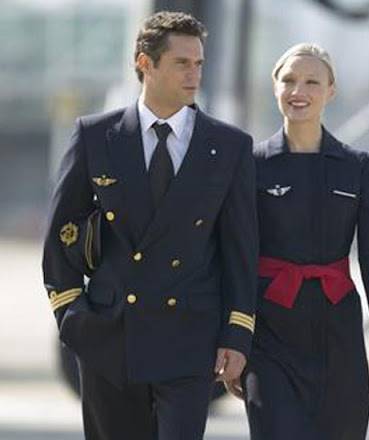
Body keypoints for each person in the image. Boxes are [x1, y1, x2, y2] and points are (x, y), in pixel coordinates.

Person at [42, 11, 258, 440]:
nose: (194, 73)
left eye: (199, 63)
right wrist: (74, 317)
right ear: (145, 63)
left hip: (189, 340)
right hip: (110, 337)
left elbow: (241, 249)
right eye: (182, 62)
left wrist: (237, 334)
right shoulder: (95, 136)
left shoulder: (229, 145)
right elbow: (60, 236)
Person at [237, 43, 369, 440]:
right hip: (270, 330)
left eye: (312, 81)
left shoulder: (356, 166)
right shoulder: (250, 166)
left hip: (337, 329)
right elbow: (236, 254)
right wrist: (234, 337)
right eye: (289, 80)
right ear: (274, 87)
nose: (299, 90)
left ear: (331, 91)